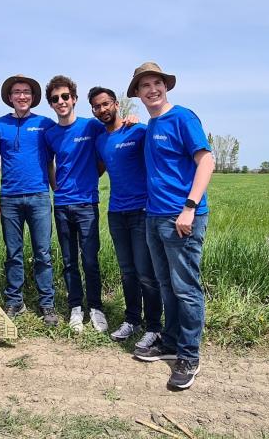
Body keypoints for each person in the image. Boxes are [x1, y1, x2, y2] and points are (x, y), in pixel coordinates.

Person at [128, 62, 215, 390]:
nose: (152, 89)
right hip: (155, 216)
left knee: (186, 288)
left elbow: (206, 160)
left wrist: (190, 208)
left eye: (156, 83)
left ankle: (189, 355)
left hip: (181, 217)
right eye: (144, 85)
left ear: (166, 86)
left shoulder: (183, 117)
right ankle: (172, 341)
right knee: (167, 285)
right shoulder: (151, 125)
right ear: (137, 93)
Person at [90, 85, 163, 349]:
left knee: (146, 272)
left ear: (116, 104)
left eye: (106, 104)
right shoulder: (100, 140)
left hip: (142, 211)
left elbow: (160, 155)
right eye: (97, 106)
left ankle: (154, 326)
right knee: (127, 271)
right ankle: (132, 319)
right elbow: (98, 170)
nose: (102, 109)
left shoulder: (139, 130)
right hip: (116, 212)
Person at [43, 75, 108, 333]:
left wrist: (93, 175)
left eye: (65, 97)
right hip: (62, 206)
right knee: (69, 261)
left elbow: (108, 146)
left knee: (90, 259)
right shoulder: (50, 135)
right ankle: (75, 308)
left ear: (74, 99)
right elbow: (49, 163)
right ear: (51, 104)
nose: (61, 101)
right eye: (55, 98)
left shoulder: (91, 127)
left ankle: (96, 307)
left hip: (87, 205)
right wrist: (55, 187)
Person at [0, 75, 58, 326]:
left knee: (43, 252)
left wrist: (57, 189)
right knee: (14, 252)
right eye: (17, 92)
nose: (22, 96)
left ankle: (47, 303)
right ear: (10, 97)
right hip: (10, 198)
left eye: (27, 92)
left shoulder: (45, 124)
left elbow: (58, 156)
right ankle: (14, 300)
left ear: (33, 97)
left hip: (40, 196)